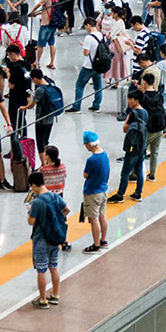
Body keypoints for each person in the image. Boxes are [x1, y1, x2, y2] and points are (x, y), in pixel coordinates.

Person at [27, 171, 70, 308]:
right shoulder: (54, 196)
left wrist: (29, 211)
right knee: (53, 266)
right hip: (55, 237)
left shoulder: (37, 202)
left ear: (34, 185)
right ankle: (56, 295)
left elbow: (31, 221)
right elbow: (67, 209)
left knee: (41, 269)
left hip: (41, 239)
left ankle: (43, 299)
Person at [66, 18, 105, 113]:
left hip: (88, 66)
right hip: (98, 65)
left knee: (79, 85)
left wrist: (84, 47)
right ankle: (96, 105)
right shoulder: (100, 35)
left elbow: (86, 53)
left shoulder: (89, 38)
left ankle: (76, 106)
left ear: (88, 25)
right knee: (98, 86)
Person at [80, 132, 109, 253]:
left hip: (92, 192)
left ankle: (96, 245)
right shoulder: (104, 155)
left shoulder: (92, 160)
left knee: (94, 219)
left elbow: (85, 175)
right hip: (103, 190)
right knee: (102, 216)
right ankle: (103, 240)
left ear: (88, 144)